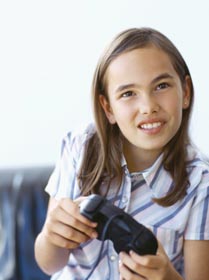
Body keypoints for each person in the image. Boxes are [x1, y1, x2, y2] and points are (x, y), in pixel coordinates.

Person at [34, 27, 209, 280]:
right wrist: (51, 235)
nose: (148, 107)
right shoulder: (79, 146)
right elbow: (48, 263)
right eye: (128, 94)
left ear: (186, 92)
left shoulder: (201, 183)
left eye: (161, 86)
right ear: (108, 108)